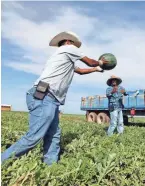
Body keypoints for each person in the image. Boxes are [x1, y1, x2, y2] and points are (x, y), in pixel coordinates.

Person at [1, 31, 109, 165]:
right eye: (74, 44)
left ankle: (50, 166)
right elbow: (90, 62)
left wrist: (96, 70)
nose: (75, 46)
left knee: (54, 134)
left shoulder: (63, 57)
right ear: (68, 42)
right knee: (34, 137)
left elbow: (80, 71)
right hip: (44, 96)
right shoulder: (69, 49)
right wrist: (100, 63)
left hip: (50, 98)